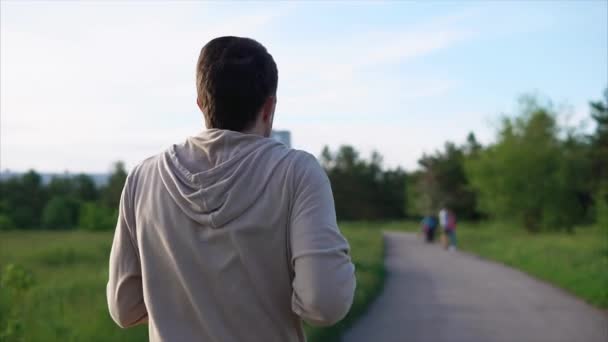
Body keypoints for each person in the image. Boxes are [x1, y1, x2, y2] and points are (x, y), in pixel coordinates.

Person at [106, 36, 356, 342]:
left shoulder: (143, 179)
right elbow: (324, 303)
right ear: (269, 107)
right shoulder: (297, 173)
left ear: (201, 103)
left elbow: (125, 308)